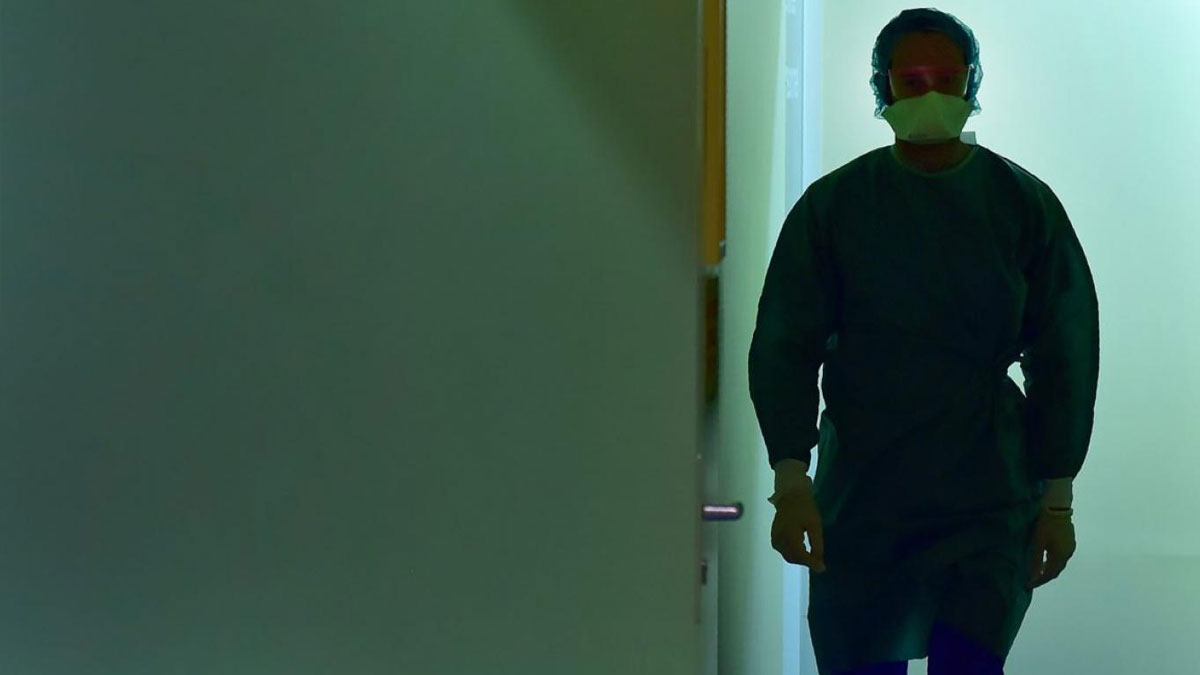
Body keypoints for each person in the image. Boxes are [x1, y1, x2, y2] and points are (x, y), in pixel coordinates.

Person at [748, 8, 1100, 675]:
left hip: (988, 501)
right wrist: (791, 482)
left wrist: (1058, 501)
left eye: (946, 77)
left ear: (972, 81)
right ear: (881, 86)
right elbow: (784, 346)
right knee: (862, 657)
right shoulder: (835, 207)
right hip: (864, 499)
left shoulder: (1021, 204)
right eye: (911, 80)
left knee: (969, 659)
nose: (930, 93)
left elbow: (1066, 355)